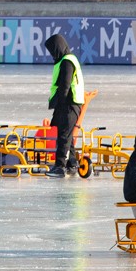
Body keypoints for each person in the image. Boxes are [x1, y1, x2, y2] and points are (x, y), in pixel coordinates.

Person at [43, 33, 84, 177]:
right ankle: (72, 163)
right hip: (70, 103)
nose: (52, 54)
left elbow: (65, 85)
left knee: (64, 135)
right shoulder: (66, 60)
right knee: (66, 134)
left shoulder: (67, 61)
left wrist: (60, 104)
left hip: (69, 104)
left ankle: (60, 166)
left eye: (53, 50)